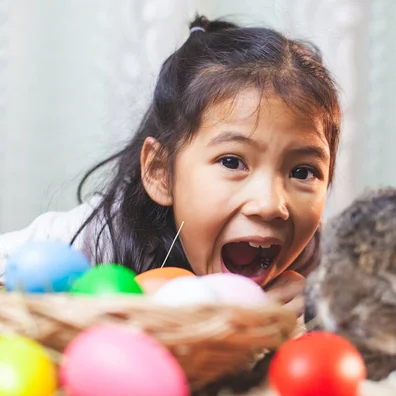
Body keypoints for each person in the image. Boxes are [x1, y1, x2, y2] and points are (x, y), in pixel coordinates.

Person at [0, 15, 341, 317]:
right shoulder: (98, 237)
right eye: (232, 162)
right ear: (161, 173)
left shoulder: (319, 262)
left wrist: (312, 313)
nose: (270, 205)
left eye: (302, 172)